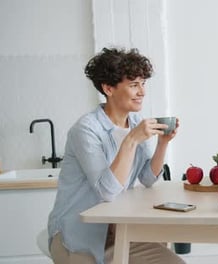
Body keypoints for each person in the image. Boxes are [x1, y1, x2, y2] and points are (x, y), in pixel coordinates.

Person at [47, 47, 185, 264]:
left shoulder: (135, 122)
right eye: (133, 85)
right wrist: (131, 140)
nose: (142, 92)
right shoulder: (86, 130)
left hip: (119, 232)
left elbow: (147, 178)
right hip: (79, 235)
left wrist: (162, 144)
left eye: (143, 83)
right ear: (108, 88)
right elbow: (107, 191)